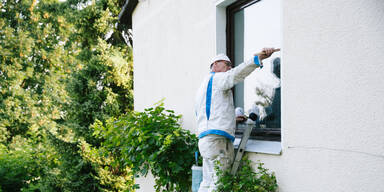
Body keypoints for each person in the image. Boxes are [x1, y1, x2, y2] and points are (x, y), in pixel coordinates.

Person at [195, 48, 279, 192]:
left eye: (230, 65)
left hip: (206, 140)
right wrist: (256, 59)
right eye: (227, 65)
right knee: (219, 184)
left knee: (206, 183)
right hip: (217, 140)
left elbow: (210, 113)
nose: (230, 68)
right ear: (215, 65)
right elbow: (236, 74)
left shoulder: (204, 86)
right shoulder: (217, 78)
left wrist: (231, 119)